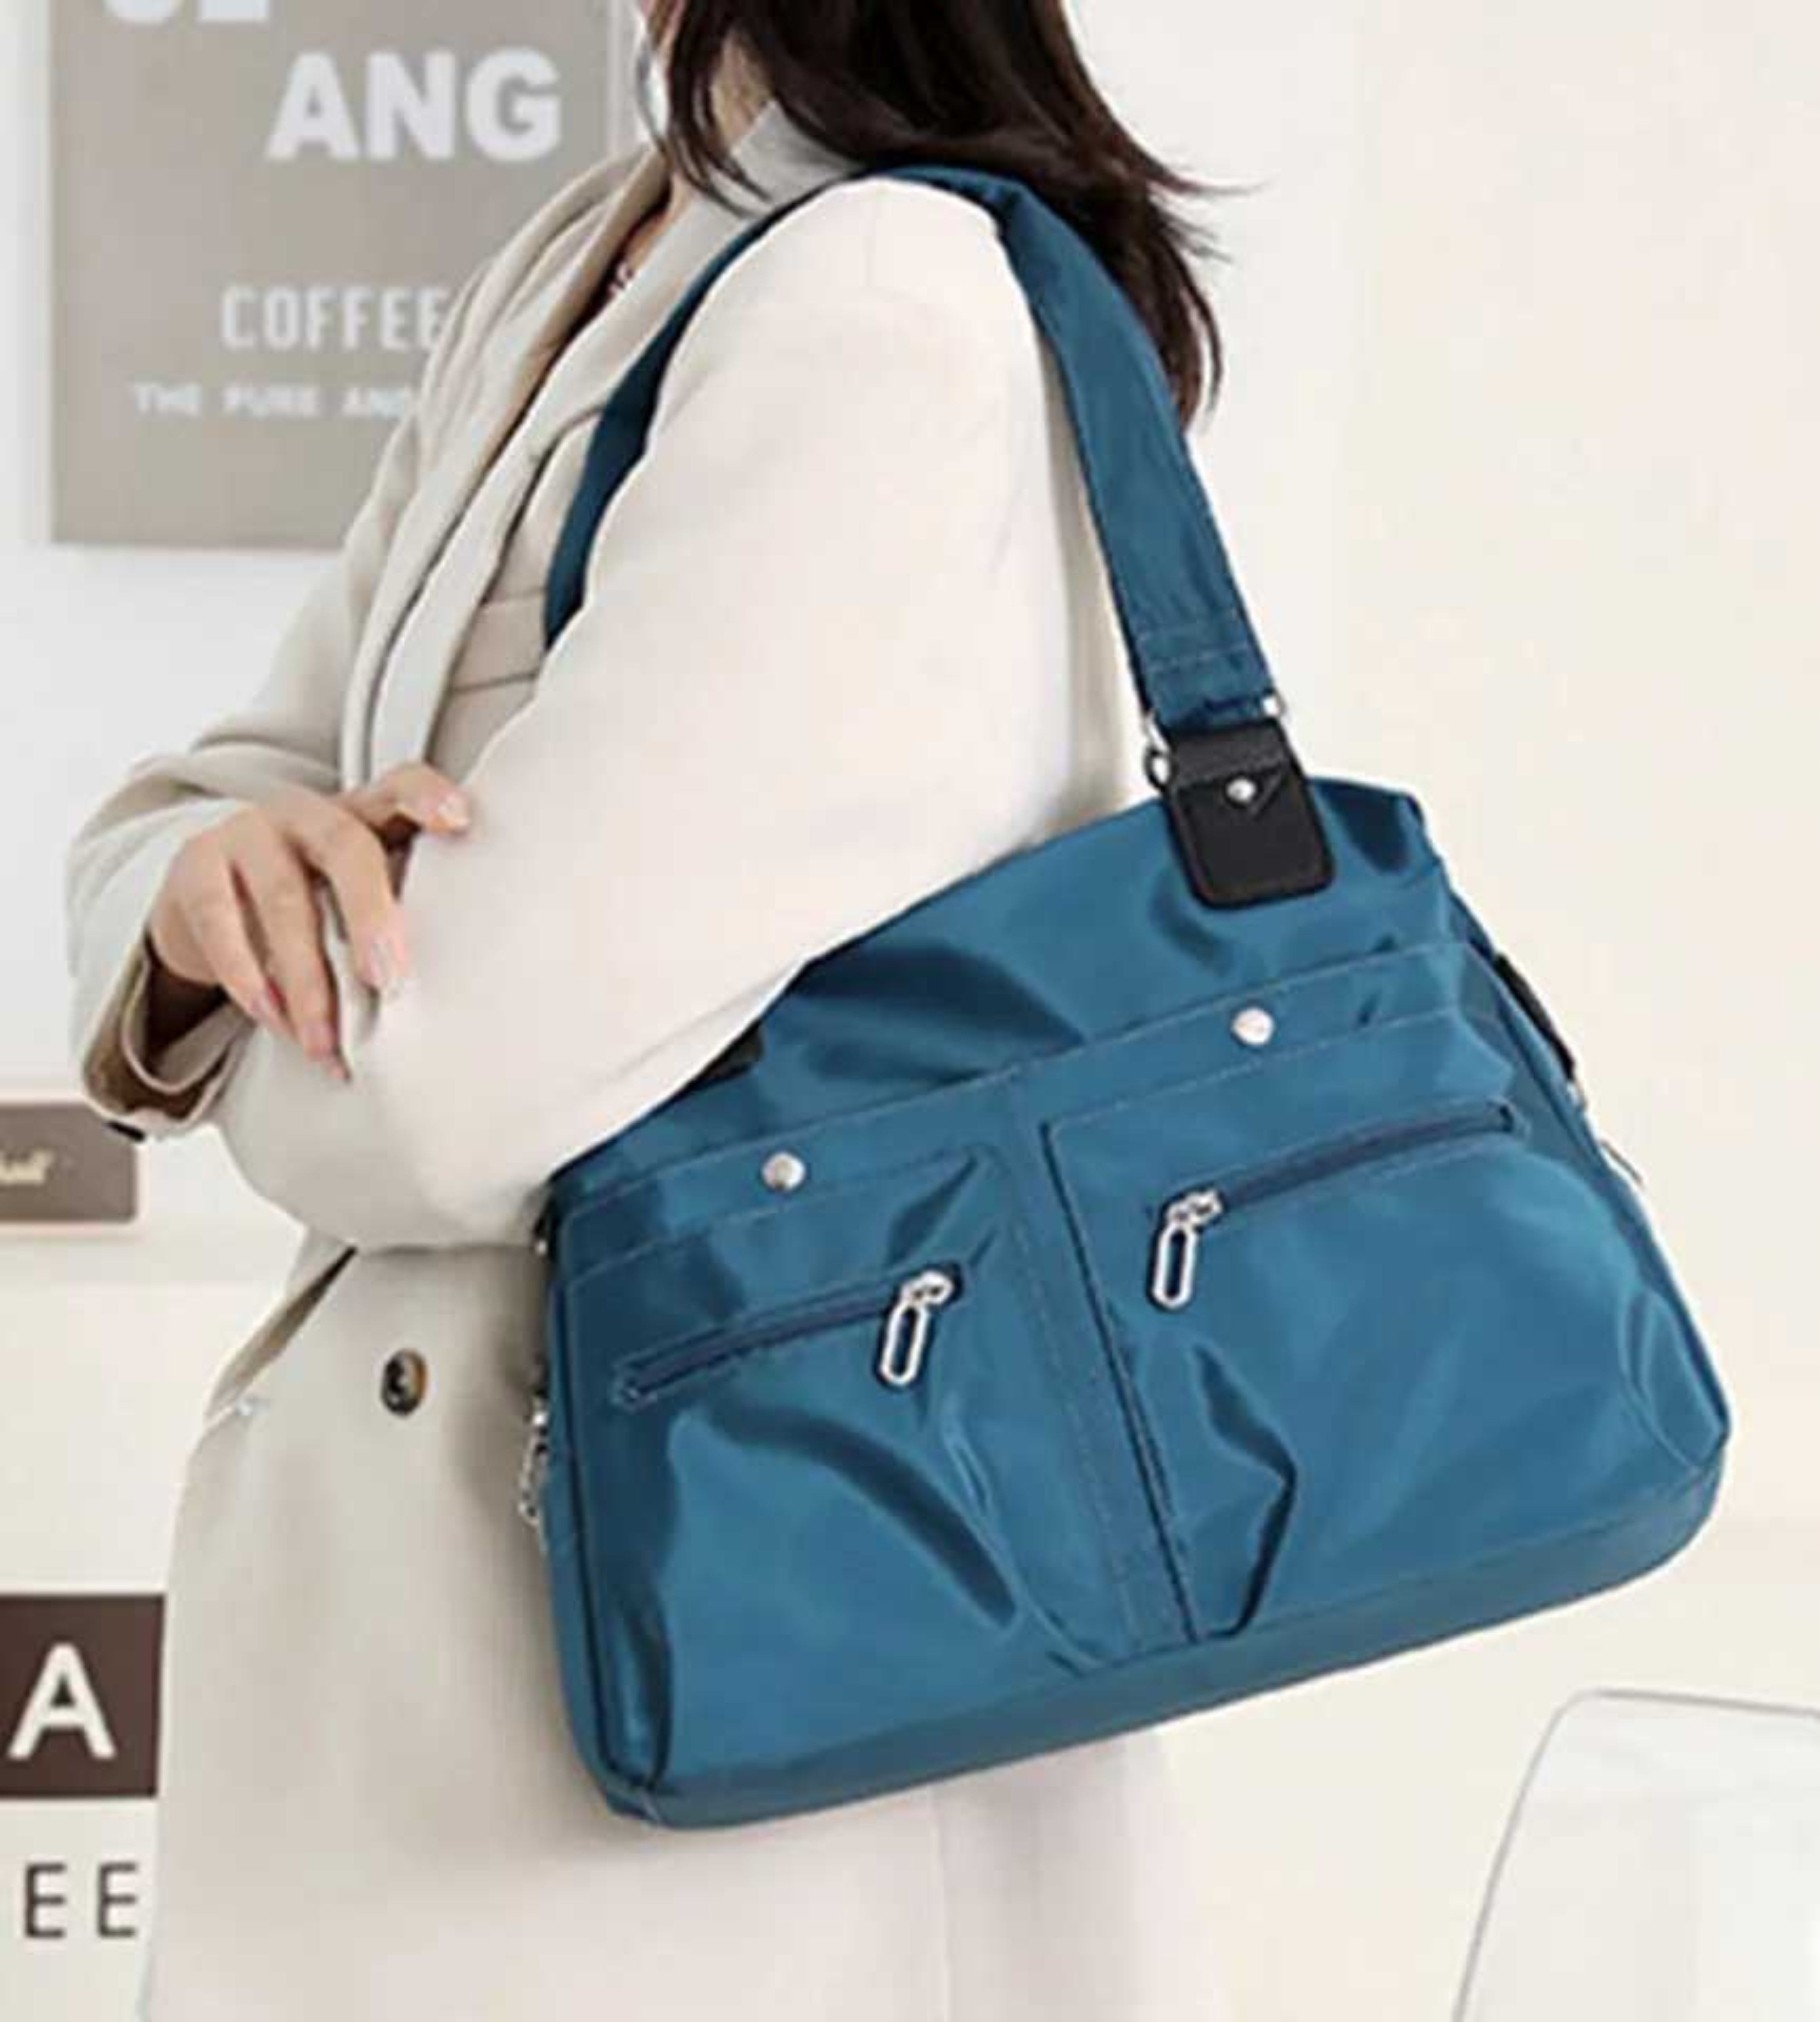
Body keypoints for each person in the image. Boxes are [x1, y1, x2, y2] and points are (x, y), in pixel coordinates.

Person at [63, 3, 1234, 2015]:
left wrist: (262, 999)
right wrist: (196, 906)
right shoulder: (596, 252)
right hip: (498, 1679)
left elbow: (443, 1092)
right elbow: (224, 785)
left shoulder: (876, 303)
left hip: (672, 1705)